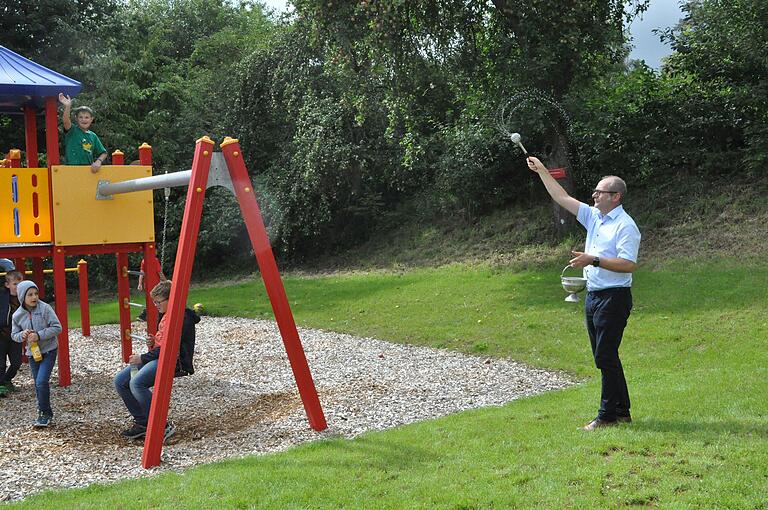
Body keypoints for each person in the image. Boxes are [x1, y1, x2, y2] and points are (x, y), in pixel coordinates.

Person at [527, 156, 641, 431]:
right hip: (594, 296)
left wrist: (594, 260)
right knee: (604, 355)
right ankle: (622, 412)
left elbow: (629, 264)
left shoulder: (626, 226)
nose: (594, 194)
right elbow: (561, 197)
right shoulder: (594, 217)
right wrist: (541, 170)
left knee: (605, 355)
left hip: (614, 296)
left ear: (615, 197)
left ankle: (606, 416)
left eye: (600, 191)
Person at [114, 280, 200, 441]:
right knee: (120, 381)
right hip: (159, 355)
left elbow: (171, 349)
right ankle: (143, 422)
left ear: (171, 299)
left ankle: (161, 424)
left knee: (136, 383)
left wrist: (142, 358)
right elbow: (163, 342)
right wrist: (153, 341)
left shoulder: (181, 318)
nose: (155, 305)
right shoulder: (167, 314)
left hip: (174, 361)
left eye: (158, 302)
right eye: (154, 302)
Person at [11, 281, 63, 427]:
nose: (34, 297)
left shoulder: (45, 308)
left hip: (49, 350)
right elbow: (13, 335)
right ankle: (46, 411)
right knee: (38, 384)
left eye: (36, 294)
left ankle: (44, 413)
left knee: (41, 381)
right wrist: (22, 335)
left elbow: (57, 327)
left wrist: (39, 335)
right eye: (30, 295)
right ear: (22, 297)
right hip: (32, 353)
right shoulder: (17, 315)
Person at [58, 92, 108, 173]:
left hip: (87, 172)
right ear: (76, 119)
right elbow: (66, 122)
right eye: (80, 117)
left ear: (91, 119)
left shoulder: (93, 136)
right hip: (71, 171)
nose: (83, 120)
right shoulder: (72, 131)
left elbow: (104, 153)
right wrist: (68, 106)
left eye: (86, 117)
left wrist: (98, 161)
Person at [0, 270, 24, 397]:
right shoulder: (3, 297)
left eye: (20, 284)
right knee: (1, 363)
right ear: (7, 285)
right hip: (2, 335)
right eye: (15, 284)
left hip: (15, 335)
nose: (18, 287)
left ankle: (7, 380)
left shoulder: (24, 298)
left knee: (16, 362)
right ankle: (1, 384)